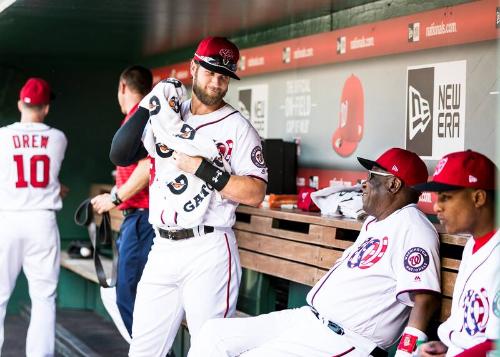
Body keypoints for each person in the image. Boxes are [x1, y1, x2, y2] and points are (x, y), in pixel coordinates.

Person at [188, 147, 442, 357]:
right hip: (309, 320)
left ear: (394, 184)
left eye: (372, 177)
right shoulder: (377, 221)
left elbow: (425, 297)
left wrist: (407, 353)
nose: (364, 184)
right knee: (213, 335)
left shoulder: (413, 226)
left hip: (345, 339)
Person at [109, 36, 268, 357]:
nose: (216, 82)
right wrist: (149, 103)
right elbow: (121, 153)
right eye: (210, 71)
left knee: (208, 350)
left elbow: (256, 192)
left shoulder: (239, 128)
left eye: (224, 76)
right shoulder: (168, 115)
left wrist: (204, 169)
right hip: (163, 246)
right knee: (142, 349)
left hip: (208, 247)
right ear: (194, 68)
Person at [0, 78, 67, 357]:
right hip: (41, 220)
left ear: (20, 104)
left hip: (8, 219)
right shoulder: (58, 137)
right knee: (43, 298)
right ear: (46, 108)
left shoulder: (2, 135)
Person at [90, 65, 154, 342]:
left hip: (144, 218)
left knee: (127, 296)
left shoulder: (142, 116)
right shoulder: (136, 116)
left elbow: (147, 167)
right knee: (124, 296)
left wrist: (115, 197)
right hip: (137, 218)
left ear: (123, 87)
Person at [413, 150, 498, 357]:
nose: (436, 206)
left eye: (446, 197)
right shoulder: (473, 245)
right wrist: (447, 348)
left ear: (478, 197)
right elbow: (472, 329)